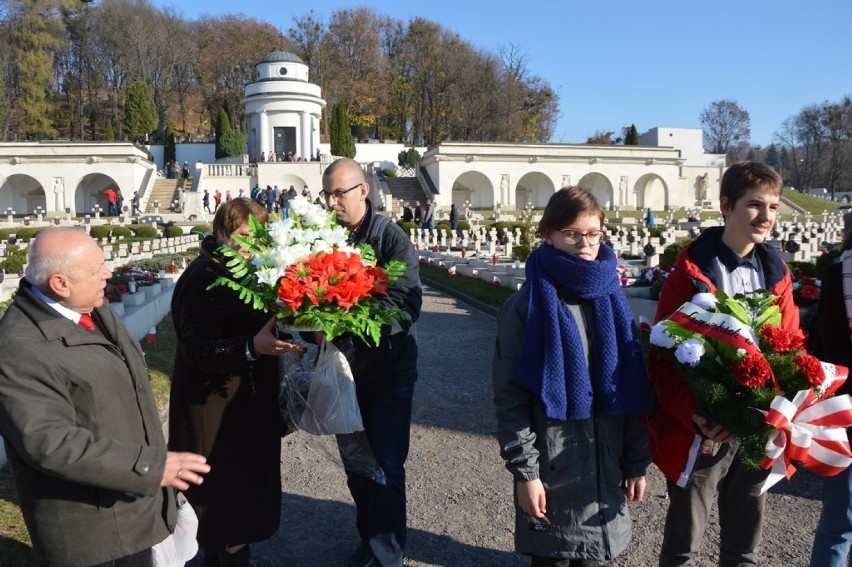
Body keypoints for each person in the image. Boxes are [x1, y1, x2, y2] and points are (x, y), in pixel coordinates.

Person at [0, 227, 210, 566]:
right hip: (96, 533)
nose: (107, 273)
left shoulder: (89, 306)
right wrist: (151, 466)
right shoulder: (19, 349)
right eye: (96, 268)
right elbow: (51, 444)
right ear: (60, 284)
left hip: (132, 506)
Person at [649, 161, 801, 567]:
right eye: (754, 205)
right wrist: (694, 413)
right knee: (685, 543)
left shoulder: (778, 275)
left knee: (744, 545)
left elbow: (790, 350)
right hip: (705, 429)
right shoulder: (691, 272)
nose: (766, 216)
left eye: (773, 206)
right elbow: (662, 356)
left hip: (756, 428)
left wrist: (773, 411)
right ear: (726, 206)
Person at [493, 186, 654, 567]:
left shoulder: (613, 299)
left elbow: (631, 387)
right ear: (549, 233)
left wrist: (635, 462)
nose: (585, 243)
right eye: (572, 233)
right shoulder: (526, 307)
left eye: (593, 233)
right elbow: (510, 397)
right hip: (554, 470)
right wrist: (526, 473)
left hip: (606, 468)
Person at [169, 198, 304, 566]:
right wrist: (250, 346)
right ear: (221, 233)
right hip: (215, 417)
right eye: (243, 237)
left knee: (233, 511)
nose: (251, 247)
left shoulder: (242, 271)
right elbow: (197, 349)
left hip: (242, 411)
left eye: (258, 239)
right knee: (227, 514)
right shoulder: (205, 277)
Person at [320, 158, 422, 567]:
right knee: (358, 466)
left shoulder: (390, 238)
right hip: (346, 373)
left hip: (388, 374)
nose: (330, 202)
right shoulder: (324, 237)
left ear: (363, 190)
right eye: (325, 194)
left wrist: (349, 326)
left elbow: (406, 303)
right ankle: (370, 540)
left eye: (337, 194)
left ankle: (387, 555)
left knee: (385, 466)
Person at [809, 228, 852, 567]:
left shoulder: (838, 272)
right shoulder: (838, 274)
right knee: (840, 521)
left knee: (839, 522)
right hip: (846, 413)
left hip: (843, 410)